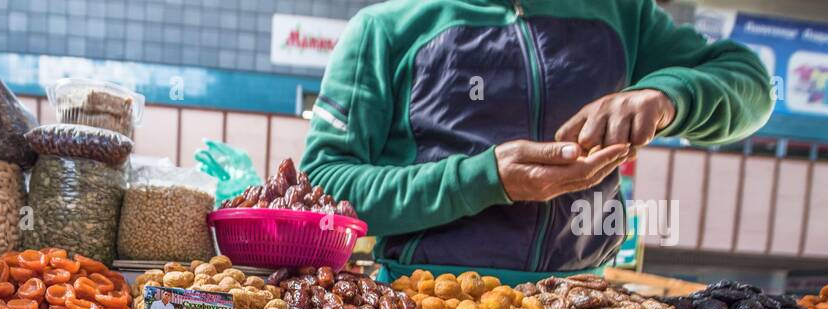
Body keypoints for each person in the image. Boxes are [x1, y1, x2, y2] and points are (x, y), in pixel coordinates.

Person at [300, 0, 774, 285]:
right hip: (423, 307)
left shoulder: (622, 13)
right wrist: (484, 179)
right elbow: (321, 186)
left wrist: (667, 96)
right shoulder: (386, 30)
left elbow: (750, 83)